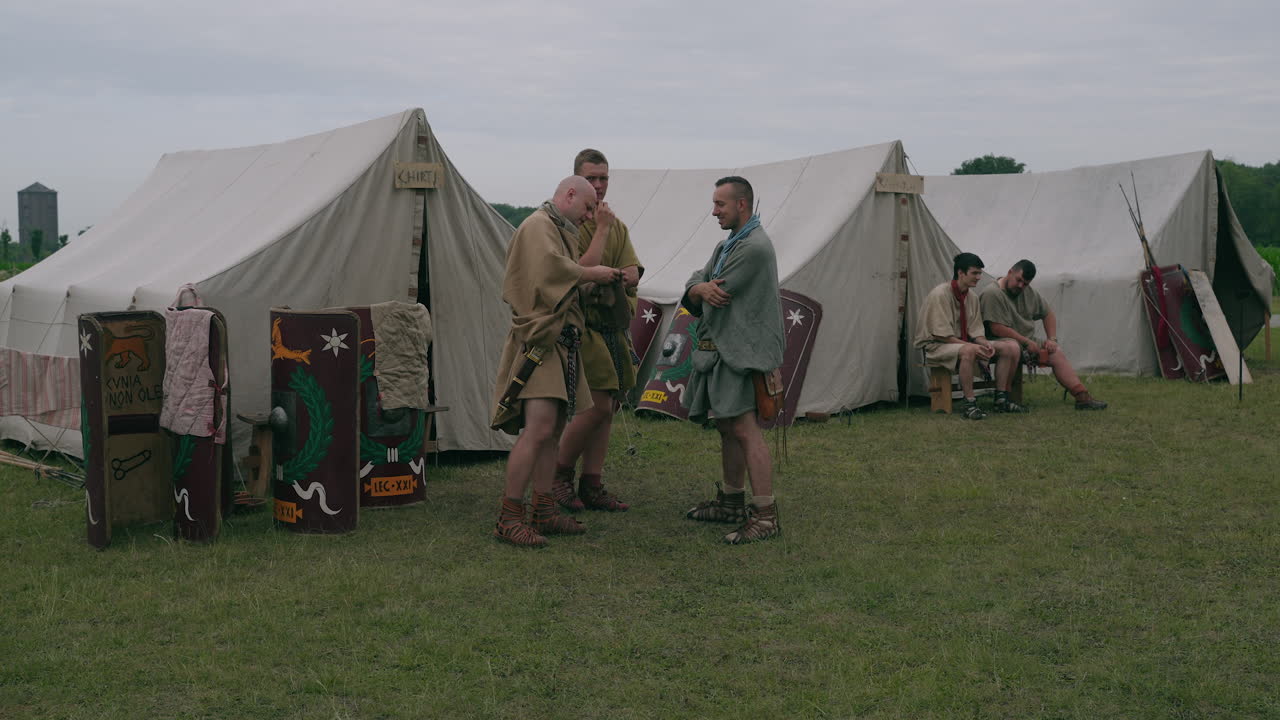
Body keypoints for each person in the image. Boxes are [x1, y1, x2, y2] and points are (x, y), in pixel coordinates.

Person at [489, 176, 623, 548]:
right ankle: (510, 517)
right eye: (587, 207)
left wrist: (597, 277)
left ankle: (543, 510)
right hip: (541, 342)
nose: (589, 216)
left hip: (561, 343)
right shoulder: (537, 227)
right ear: (568, 195)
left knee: (552, 430)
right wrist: (593, 273)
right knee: (539, 428)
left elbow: (571, 277)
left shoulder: (558, 228)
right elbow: (552, 272)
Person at [681, 176, 785, 544]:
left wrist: (702, 288)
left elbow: (717, 290)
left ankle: (765, 514)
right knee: (728, 426)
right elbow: (700, 282)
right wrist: (697, 287)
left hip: (742, 353)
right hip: (726, 352)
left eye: (720, 205)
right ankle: (730, 501)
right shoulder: (730, 244)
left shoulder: (754, 247)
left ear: (741, 205)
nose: (714, 211)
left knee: (744, 430)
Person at [552, 149, 644, 513]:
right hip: (580, 326)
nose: (600, 186)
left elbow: (631, 266)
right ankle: (557, 477)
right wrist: (601, 230)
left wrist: (631, 273)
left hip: (610, 325)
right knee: (595, 407)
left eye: (604, 178)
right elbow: (573, 273)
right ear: (576, 180)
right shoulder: (565, 222)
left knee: (610, 405)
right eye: (592, 178)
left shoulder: (616, 224)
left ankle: (592, 483)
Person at [980, 259, 1107, 410]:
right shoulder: (992, 293)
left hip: (1025, 342)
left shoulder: (1028, 292)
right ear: (1009, 272)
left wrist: (1051, 339)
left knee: (1055, 352)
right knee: (1012, 347)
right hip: (998, 342)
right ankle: (1003, 399)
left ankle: (1082, 397)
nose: (1021, 286)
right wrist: (1026, 342)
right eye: (1018, 280)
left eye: (1025, 283)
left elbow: (1048, 314)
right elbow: (996, 328)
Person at [914, 252, 1025, 419]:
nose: (979, 277)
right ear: (960, 273)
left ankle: (1001, 398)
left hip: (962, 343)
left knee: (1010, 347)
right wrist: (973, 346)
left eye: (980, 273)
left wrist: (984, 342)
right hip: (936, 346)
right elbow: (942, 335)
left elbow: (976, 331)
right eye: (974, 273)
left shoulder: (971, 297)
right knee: (968, 351)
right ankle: (970, 404)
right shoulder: (940, 294)